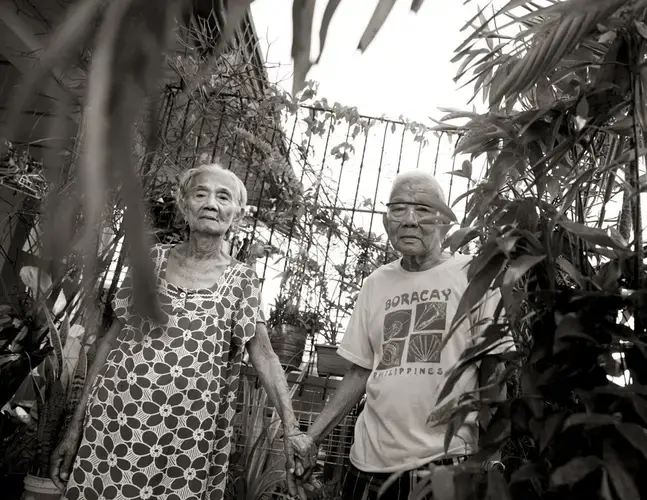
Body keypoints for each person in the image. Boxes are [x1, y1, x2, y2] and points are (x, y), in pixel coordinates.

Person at [50, 163, 316, 500]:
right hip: (113, 422)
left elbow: (264, 354)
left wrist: (292, 430)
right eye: (200, 193)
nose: (211, 203)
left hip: (186, 438)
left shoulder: (243, 280)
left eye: (223, 197)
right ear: (183, 204)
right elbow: (110, 342)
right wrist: (75, 427)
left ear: (236, 214)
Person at [296, 171, 513, 499]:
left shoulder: (475, 275)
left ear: (444, 221)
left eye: (423, 209)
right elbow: (359, 371)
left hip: (445, 462)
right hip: (367, 463)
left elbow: (493, 370)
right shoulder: (375, 284)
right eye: (398, 209)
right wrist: (310, 439)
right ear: (386, 222)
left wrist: (493, 458)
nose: (409, 220)